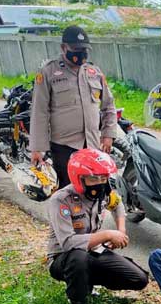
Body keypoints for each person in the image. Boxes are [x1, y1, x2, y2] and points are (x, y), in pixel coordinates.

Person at [47, 148, 148, 304]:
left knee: (139, 279)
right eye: (94, 178)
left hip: (92, 252)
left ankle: (83, 283)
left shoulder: (102, 194)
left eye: (103, 178)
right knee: (78, 257)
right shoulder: (62, 200)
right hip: (63, 258)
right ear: (79, 178)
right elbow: (68, 243)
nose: (100, 183)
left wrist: (121, 230)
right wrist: (108, 234)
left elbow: (118, 206)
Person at [30, 25, 117, 188]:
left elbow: (109, 106)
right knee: (68, 193)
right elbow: (39, 112)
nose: (81, 53)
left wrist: (108, 135)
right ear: (64, 48)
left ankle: (93, 215)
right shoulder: (48, 72)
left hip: (92, 145)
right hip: (64, 147)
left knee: (95, 191)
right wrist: (37, 148)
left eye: (84, 49)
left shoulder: (94, 72)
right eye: (76, 49)